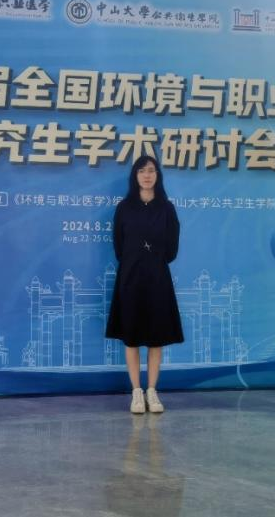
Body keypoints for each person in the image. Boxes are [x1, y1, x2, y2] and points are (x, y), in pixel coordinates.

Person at [106, 155, 184, 414]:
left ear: (157, 175)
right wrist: (135, 261)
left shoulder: (167, 208)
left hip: (157, 278)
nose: (147, 175)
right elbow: (119, 246)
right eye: (141, 171)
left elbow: (172, 249)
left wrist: (153, 260)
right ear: (135, 176)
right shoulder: (124, 207)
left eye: (151, 170)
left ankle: (152, 390)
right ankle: (136, 392)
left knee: (155, 337)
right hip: (130, 277)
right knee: (131, 338)